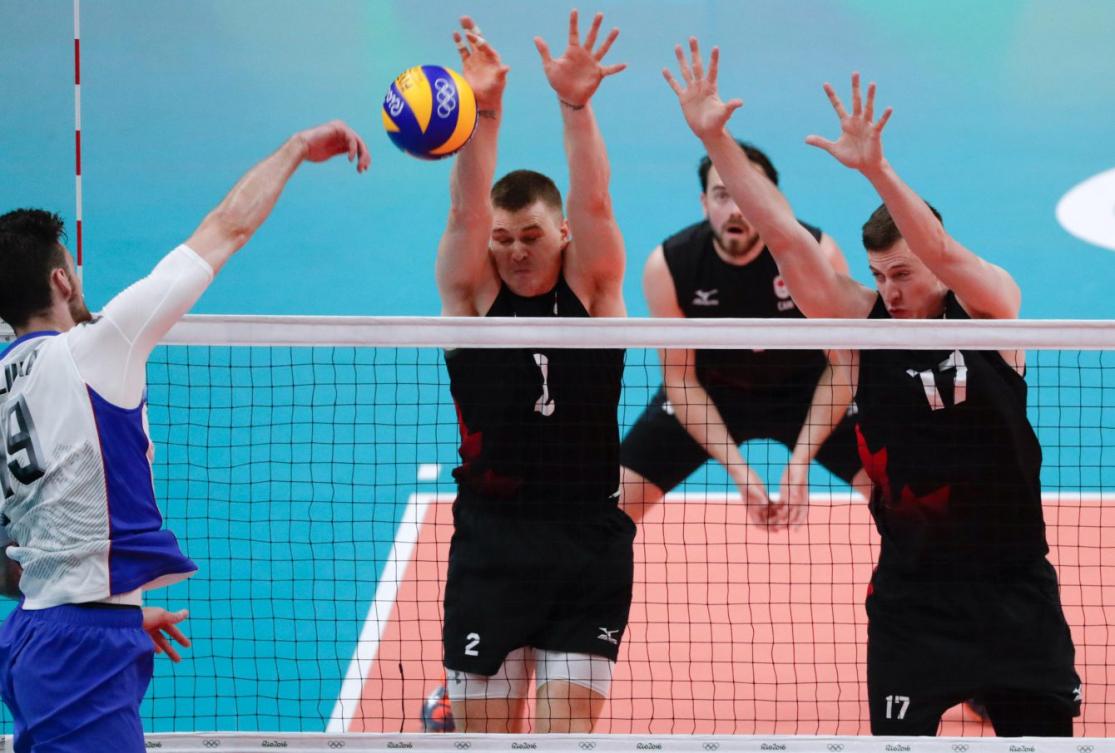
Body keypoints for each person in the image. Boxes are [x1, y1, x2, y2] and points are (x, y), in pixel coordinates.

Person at [663, 40, 1081, 736]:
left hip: (1015, 596)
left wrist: (877, 169)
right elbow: (786, 238)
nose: (889, 290)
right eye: (878, 275)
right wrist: (714, 138)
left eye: (902, 275)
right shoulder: (859, 330)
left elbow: (943, 252)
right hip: (912, 604)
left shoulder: (989, 311)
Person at [0, 120, 369, 752]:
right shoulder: (98, 347)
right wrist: (296, 149)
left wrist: (111, 608)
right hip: (77, 654)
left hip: (39, 638)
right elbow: (226, 228)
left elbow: (13, 563)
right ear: (61, 282)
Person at [434, 11, 630, 734]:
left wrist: (574, 105)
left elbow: (596, 200)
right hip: (491, 543)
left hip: (586, 545)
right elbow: (462, 212)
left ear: (562, 235)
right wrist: (484, 112)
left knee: (561, 741)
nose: (516, 251)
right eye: (504, 238)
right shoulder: (470, 299)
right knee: (483, 741)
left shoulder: (595, 294)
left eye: (532, 236)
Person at [619, 141, 867, 528]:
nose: (736, 210)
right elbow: (680, 379)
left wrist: (800, 461)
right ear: (704, 203)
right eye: (722, 195)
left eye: (749, 196)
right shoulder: (670, 265)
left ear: (773, 201)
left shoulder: (817, 254)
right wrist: (738, 471)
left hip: (808, 392)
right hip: (711, 392)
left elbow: (843, 368)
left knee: (901, 497)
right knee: (612, 509)